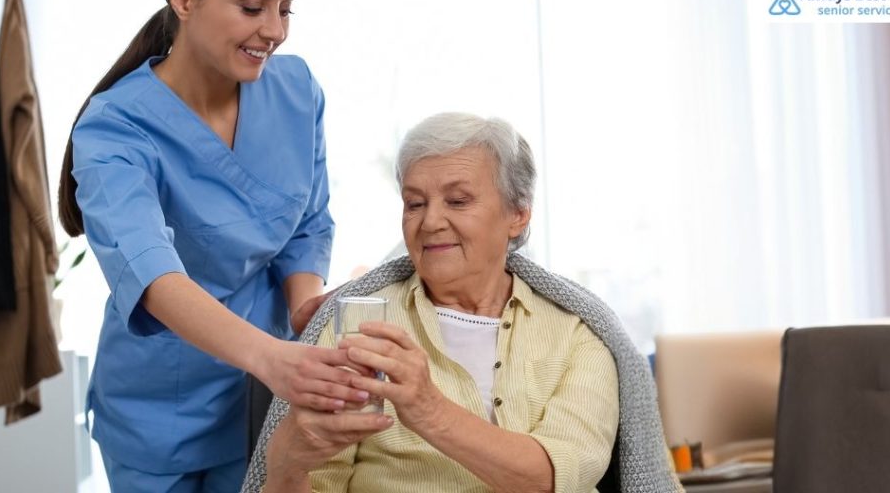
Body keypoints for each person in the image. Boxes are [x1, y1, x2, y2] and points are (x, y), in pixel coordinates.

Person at [58, 0, 365, 491]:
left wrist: (304, 308)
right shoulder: (115, 126)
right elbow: (149, 270)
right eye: (252, 7)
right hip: (160, 413)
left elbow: (307, 224)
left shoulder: (296, 90)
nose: (273, 31)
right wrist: (272, 358)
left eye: (285, 9)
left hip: (262, 394)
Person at [243, 113, 684, 493]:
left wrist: (427, 408)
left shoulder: (578, 333)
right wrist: (285, 468)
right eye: (415, 203)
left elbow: (554, 478)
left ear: (518, 215)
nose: (431, 221)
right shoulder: (357, 325)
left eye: (457, 200)